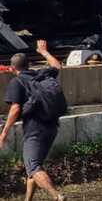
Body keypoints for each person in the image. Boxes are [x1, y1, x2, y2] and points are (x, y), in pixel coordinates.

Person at [1, 41, 67, 201]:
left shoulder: (17, 82)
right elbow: (57, 66)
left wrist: (3, 133)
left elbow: (15, 109)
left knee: (33, 167)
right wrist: (44, 52)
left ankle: (58, 197)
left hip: (35, 130)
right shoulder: (42, 74)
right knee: (34, 167)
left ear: (13, 68)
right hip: (52, 126)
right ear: (29, 64)